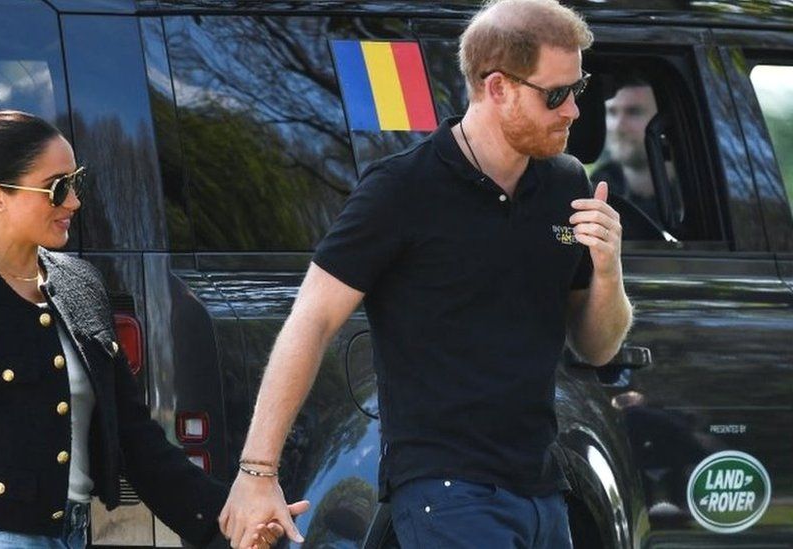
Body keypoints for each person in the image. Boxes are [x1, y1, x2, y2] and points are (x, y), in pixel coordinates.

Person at [218, 0, 633, 547]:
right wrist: (257, 472)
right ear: (497, 88)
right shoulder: (401, 190)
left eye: (577, 90)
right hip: (446, 492)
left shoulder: (566, 184)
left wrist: (608, 269)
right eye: (555, 95)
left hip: (545, 490)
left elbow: (598, 348)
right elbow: (312, 318)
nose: (573, 111)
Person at [0, 110, 306, 549]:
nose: (74, 201)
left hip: (74, 535)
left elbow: (137, 441)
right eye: (56, 187)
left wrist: (231, 524)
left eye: (75, 181)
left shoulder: (80, 284)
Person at [591, 80, 662, 221]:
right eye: (612, 112)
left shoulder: (701, 191)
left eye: (633, 112)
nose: (618, 127)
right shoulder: (592, 190)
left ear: (661, 122)